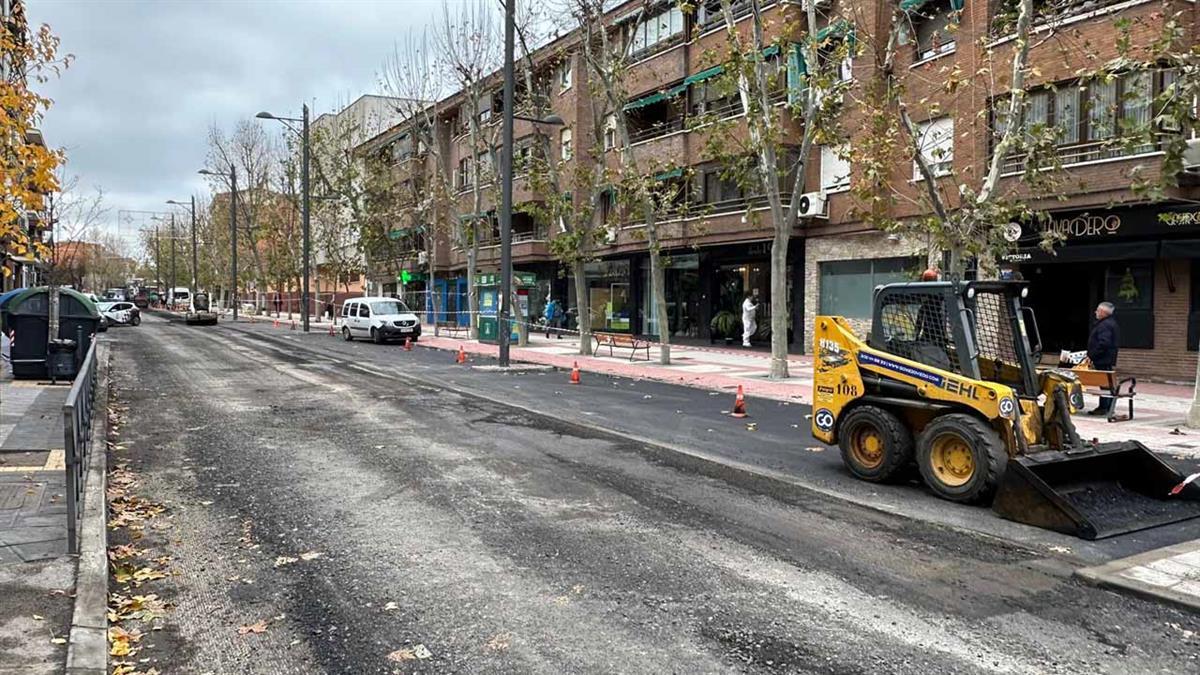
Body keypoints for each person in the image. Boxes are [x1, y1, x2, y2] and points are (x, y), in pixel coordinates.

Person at [1086, 301, 1120, 415]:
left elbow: (1104, 343)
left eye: (1097, 310)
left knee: (1104, 384)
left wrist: (1092, 355)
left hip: (1102, 359)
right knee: (1106, 384)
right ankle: (1106, 406)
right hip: (1106, 358)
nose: (1095, 312)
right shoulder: (1111, 323)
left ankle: (1104, 407)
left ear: (1102, 312)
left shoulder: (1104, 325)